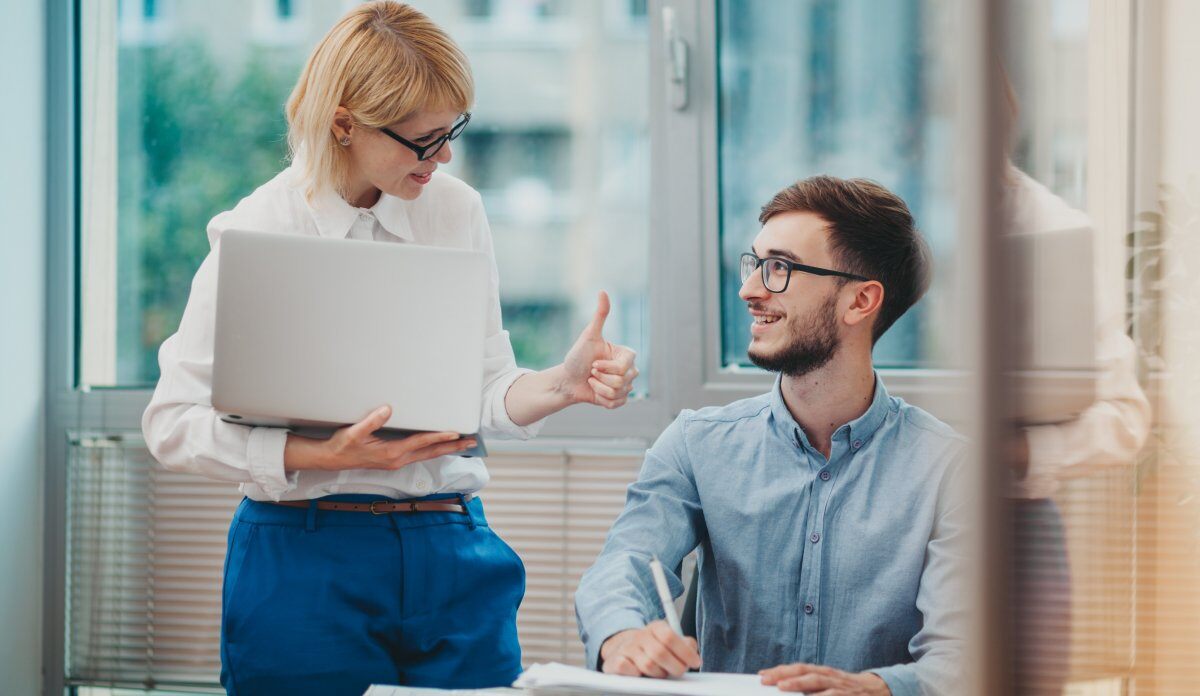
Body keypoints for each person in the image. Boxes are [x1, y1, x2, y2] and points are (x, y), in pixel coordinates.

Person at [141, 3, 638, 694]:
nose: (445, 158)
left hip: (453, 546)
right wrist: (320, 455)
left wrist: (563, 383)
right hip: (305, 552)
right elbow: (171, 423)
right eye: (424, 141)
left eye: (451, 132)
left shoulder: (455, 209)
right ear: (344, 123)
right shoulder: (261, 226)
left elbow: (484, 389)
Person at [574, 176, 969, 696]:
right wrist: (624, 635)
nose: (749, 290)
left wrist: (876, 688)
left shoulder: (951, 468)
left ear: (860, 301)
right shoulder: (697, 443)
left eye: (780, 268)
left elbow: (965, 655)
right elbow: (625, 561)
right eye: (754, 264)